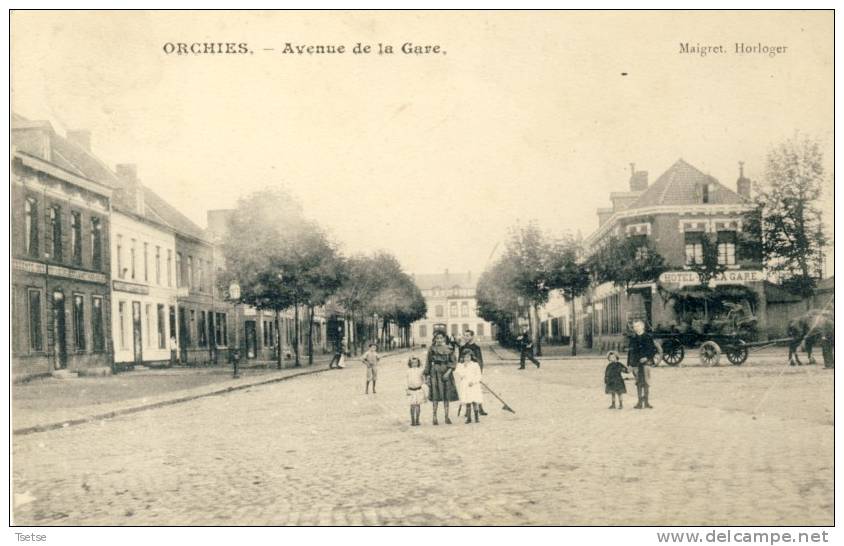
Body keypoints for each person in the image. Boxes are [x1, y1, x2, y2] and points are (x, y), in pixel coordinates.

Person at [424, 331, 459, 425]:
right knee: (435, 395)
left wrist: (448, 373)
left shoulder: (449, 348)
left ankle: (446, 416)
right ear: (435, 339)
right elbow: (428, 362)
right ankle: (434, 417)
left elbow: (453, 362)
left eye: (441, 338)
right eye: (437, 338)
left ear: (444, 338)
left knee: (446, 395)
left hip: (446, 372)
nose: (439, 340)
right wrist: (427, 376)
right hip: (434, 373)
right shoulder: (432, 349)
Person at [627, 319, 658, 409]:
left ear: (643, 326)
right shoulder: (633, 338)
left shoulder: (648, 337)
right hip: (636, 364)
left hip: (646, 364)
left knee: (646, 382)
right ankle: (639, 402)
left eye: (638, 326)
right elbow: (630, 352)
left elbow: (653, 350)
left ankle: (647, 402)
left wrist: (647, 357)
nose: (636, 328)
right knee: (638, 382)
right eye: (634, 326)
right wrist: (629, 364)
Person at [461, 330, 488, 416]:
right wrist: (462, 373)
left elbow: (480, 361)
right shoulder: (462, 348)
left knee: (477, 391)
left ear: (472, 336)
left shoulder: (476, 348)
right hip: (466, 373)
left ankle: (480, 408)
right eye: (465, 335)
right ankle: (467, 411)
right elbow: (460, 361)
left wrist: (478, 374)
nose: (466, 337)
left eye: (468, 335)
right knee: (466, 391)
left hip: (474, 373)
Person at [455, 349, 483, 424]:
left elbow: (479, 375)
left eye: (468, 357)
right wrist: (464, 366)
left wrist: (473, 381)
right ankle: (469, 417)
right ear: (462, 357)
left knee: (474, 400)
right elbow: (460, 374)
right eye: (465, 357)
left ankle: (476, 417)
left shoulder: (475, 364)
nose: (466, 359)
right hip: (465, 384)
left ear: (471, 357)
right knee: (467, 401)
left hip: (474, 385)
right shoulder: (460, 365)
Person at [406, 356, 426, 426]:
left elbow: (423, 379)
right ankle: (412, 420)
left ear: (418, 363)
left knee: (418, 405)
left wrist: (423, 383)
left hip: (418, 390)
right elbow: (406, 381)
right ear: (410, 363)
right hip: (411, 390)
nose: (414, 364)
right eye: (412, 363)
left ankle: (417, 420)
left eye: (416, 363)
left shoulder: (420, 370)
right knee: (412, 406)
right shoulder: (408, 371)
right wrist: (407, 389)